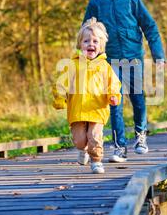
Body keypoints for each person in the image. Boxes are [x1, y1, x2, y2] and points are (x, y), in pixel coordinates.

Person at [82, 0, 166, 162]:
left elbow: (150, 27)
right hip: (108, 62)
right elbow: (86, 30)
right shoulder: (96, 3)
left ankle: (140, 135)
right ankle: (119, 147)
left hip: (133, 58)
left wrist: (159, 55)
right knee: (114, 103)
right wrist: (85, 56)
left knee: (138, 99)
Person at [52, 17, 121, 174]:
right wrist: (59, 98)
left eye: (95, 42)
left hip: (97, 108)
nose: (91, 44)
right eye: (86, 41)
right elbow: (61, 84)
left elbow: (114, 84)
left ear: (101, 46)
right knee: (79, 140)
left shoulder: (104, 66)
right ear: (80, 44)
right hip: (77, 109)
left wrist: (113, 95)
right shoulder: (72, 65)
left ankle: (96, 161)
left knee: (95, 136)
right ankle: (82, 150)